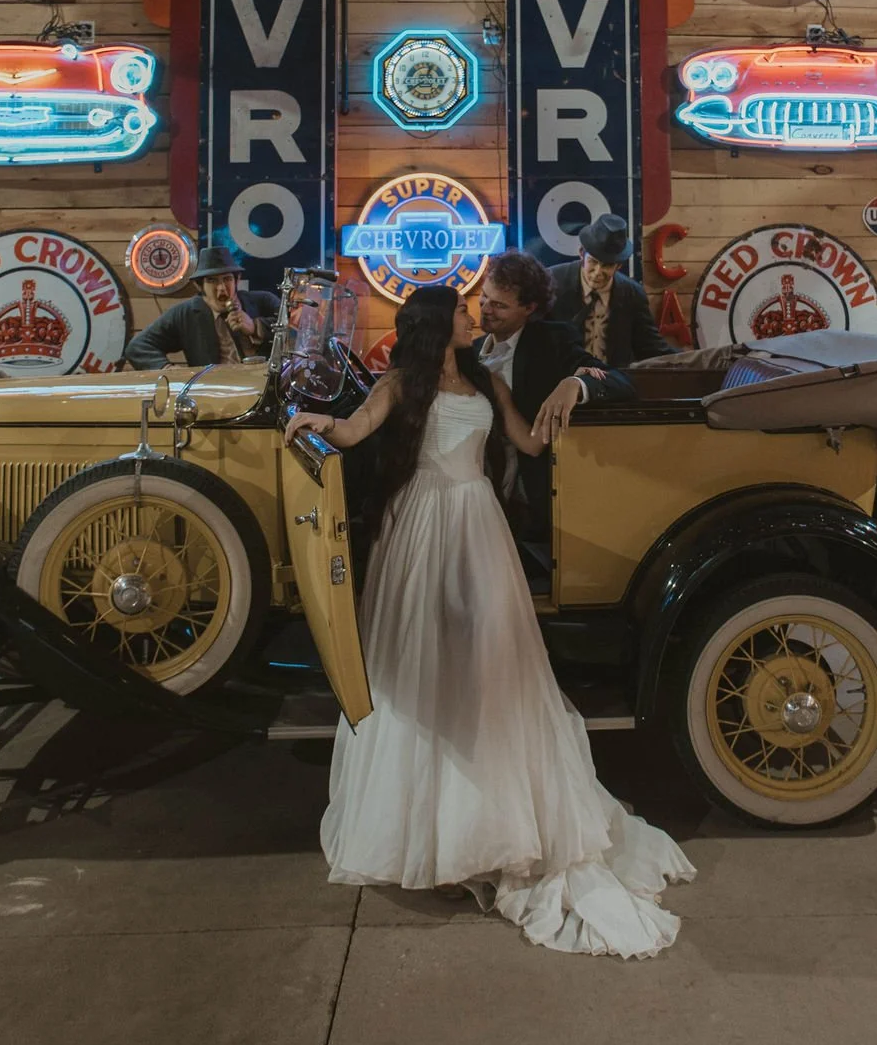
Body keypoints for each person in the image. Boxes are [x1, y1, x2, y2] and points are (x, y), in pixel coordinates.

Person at [284, 286, 694, 958]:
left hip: (477, 526)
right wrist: (313, 421)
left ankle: (482, 824)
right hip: (419, 527)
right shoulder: (398, 383)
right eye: (464, 311)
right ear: (438, 324)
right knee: (425, 667)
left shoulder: (487, 379)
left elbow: (530, 444)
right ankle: (439, 838)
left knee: (487, 664)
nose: (475, 316)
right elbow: (354, 429)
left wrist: (572, 385)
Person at [476, 249, 636, 538]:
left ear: (529, 308)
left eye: (499, 305)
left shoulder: (552, 341)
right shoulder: (469, 349)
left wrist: (574, 385)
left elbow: (620, 382)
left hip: (527, 497)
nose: (486, 309)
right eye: (484, 297)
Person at [125, 245, 280, 371]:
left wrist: (256, 327)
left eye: (227, 279)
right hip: (212, 391)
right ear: (200, 286)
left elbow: (295, 331)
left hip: (261, 386)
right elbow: (137, 347)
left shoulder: (263, 301)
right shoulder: (186, 313)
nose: (222, 289)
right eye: (212, 281)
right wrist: (167, 369)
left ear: (237, 280)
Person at [548, 214, 674, 367]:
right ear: (582, 253)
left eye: (607, 265)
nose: (597, 272)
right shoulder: (553, 282)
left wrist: (690, 361)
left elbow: (651, 347)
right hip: (562, 383)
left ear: (618, 265)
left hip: (612, 384)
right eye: (593, 262)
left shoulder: (632, 294)